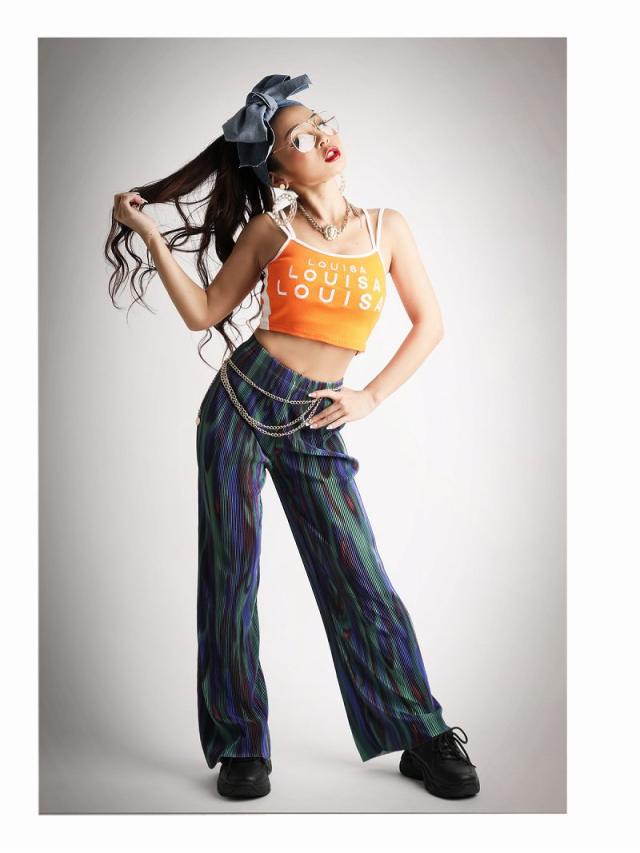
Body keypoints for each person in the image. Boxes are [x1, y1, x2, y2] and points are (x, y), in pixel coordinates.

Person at [107, 73, 480, 802]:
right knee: (231, 573)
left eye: (321, 123)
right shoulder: (270, 232)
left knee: (359, 574)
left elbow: (429, 324)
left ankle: (421, 729)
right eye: (298, 138)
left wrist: (370, 395)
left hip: (317, 415)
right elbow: (205, 311)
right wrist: (150, 234)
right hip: (240, 404)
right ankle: (241, 743)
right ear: (278, 170)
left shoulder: (388, 227)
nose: (321, 137)